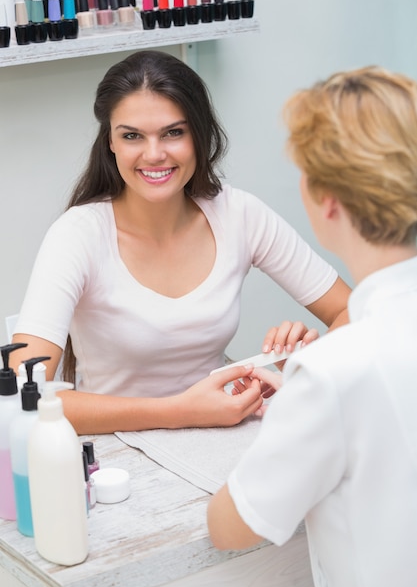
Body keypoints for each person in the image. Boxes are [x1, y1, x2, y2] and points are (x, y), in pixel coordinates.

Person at [11, 50, 350, 435]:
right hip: (115, 453)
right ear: (111, 142)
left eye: (174, 132)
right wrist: (180, 411)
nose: (154, 154)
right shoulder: (77, 235)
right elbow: (23, 395)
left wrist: (308, 365)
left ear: (198, 135)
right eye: (132, 136)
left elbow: (359, 312)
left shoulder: (240, 214)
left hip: (225, 434)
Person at [207, 66, 417, 587]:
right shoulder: (338, 371)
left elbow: (229, 527)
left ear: (327, 201)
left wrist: (305, 406)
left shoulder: (333, 376)